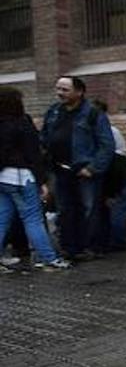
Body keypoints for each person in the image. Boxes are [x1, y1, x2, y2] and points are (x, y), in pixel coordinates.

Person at [41, 76, 114, 260]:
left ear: (79, 92)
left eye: (65, 90)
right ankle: (68, 247)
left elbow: (106, 145)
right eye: (58, 89)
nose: (60, 93)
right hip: (59, 169)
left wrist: (93, 167)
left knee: (88, 209)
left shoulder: (93, 113)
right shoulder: (53, 112)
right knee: (64, 209)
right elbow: (44, 137)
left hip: (85, 171)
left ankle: (90, 247)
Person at [0, 87, 68, 271]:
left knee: (2, 218)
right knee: (33, 219)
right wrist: (41, 181)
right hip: (22, 177)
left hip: (3, 178)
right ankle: (48, 259)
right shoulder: (23, 122)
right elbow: (34, 154)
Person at [91, 98, 126, 252]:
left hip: (121, 175)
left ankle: (117, 242)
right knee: (117, 208)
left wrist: (111, 193)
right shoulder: (109, 131)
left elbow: (115, 165)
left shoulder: (106, 133)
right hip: (123, 173)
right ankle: (110, 240)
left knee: (118, 207)